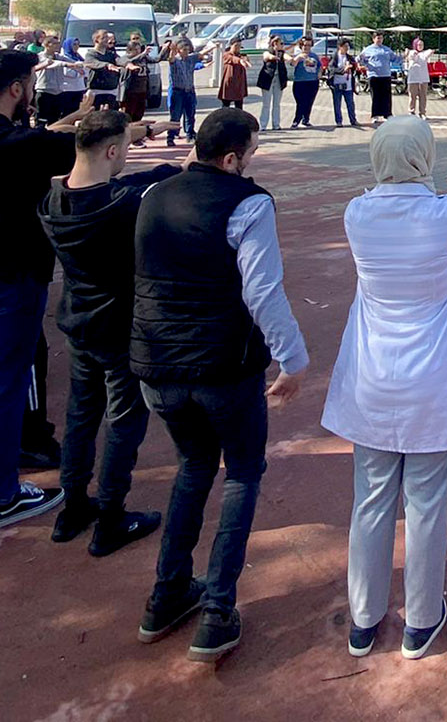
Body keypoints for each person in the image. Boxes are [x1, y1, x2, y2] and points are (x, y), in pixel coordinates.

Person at [131, 109, 309, 663]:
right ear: (232, 158)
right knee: (242, 474)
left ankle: (166, 594)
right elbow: (262, 289)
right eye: (250, 153)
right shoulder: (248, 203)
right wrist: (293, 359)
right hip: (221, 364)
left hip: (157, 362)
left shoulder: (154, 194)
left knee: (193, 467)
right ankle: (217, 608)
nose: (251, 163)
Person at [321, 121, 447, 660]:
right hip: (432, 379)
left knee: (370, 500)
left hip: (373, 376)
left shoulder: (357, 213)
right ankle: (422, 619)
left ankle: (363, 619)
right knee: (427, 503)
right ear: (423, 158)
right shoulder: (444, 216)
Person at [0, 51, 91, 530]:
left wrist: (67, 121)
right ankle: (3, 494)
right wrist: (126, 132)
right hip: (10, 276)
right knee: (6, 384)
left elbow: (41, 139)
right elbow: (72, 151)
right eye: (28, 82)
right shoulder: (18, 144)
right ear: (16, 89)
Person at [38, 107, 176, 556]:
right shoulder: (120, 209)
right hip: (119, 327)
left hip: (79, 322)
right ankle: (111, 515)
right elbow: (130, 194)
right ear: (112, 150)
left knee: (81, 415)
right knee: (124, 420)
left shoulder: (53, 200)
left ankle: (73, 505)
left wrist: (159, 165)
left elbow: (122, 185)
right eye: (124, 150)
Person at [34, 40, 87, 126]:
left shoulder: (59, 56)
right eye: (54, 43)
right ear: (46, 45)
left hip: (58, 91)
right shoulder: (40, 56)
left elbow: (72, 62)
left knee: (55, 119)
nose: (57, 45)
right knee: (42, 118)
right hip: (44, 91)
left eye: (58, 44)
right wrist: (69, 65)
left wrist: (79, 65)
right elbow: (53, 63)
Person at [167, 38, 201, 144]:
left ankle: (190, 134)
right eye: (184, 50)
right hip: (178, 92)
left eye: (188, 49)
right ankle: (171, 137)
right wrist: (172, 50)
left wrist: (213, 47)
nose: (186, 52)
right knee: (175, 116)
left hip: (189, 91)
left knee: (190, 114)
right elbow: (171, 59)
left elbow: (200, 55)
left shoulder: (190, 59)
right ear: (179, 50)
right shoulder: (175, 60)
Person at [361, 32, 396, 126]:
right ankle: (375, 115)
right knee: (376, 96)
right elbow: (360, 59)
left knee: (386, 96)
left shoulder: (386, 49)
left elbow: (394, 58)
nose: (379, 40)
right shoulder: (368, 49)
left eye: (381, 38)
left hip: (386, 75)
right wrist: (365, 65)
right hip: (374, 75)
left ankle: (387, 114)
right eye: (378, 38)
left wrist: (404, 55)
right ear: (373, 39)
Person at [254, 37, 288, 132]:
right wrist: (273, 57)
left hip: (279, 80)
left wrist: (291, 59)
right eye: (280, 43)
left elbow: (287, 57)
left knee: (277, 104)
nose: (282, 45)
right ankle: (263, 125)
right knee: (266, 104)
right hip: (268, 80)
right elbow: (266, 57)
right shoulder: (267, 52)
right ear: (274, 44)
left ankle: (276, 124)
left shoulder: (282, 53)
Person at [288, 39, 321, 130]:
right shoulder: (298, 56)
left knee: (309, 101)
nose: (306, 47)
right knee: (300, 102)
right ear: (301, 46)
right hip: (300, 82)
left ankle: (306, 119)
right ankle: (296, 121)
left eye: (309, 45)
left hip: (312, 81)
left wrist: (319, 73)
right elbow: (293, 64)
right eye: (305, 45)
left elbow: (319, 66)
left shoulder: (314, 56)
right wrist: (299, 57)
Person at [331, 38, 361, 127]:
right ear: (340, 47)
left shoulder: (350, 57)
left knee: (350, 103)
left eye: (348, 46)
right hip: (337, 84)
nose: (347, 48)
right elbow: (331, 69)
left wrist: (355, 67)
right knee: (337, 104)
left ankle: (353, 120)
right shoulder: (335, 57)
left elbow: (355, 69)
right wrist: (343, 70)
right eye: (345, 46)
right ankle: (339, 121)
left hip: (348, 85)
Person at [217, 37, 249, 111]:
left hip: (239, 85)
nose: (237, 48)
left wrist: (245, 60)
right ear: (231, 45)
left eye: (239, 46)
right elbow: (232, 59)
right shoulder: (226, 55)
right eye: (236, 46)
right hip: (229, 85)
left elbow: (245, 60)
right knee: (225, 107)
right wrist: (240, 61)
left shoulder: (242, 55)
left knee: (239, 108)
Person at [404, 37, 432, 119]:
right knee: (412, 96)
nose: (420, 46)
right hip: (413, 78)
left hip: (423, 78)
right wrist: (410, 53)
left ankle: (422, 112)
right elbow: (411, 57)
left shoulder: (424, 53)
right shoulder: (412, 52)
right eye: (419, 44)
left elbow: (428, 53)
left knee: (423, 96)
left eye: (422, 45)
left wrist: (431, 51)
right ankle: (411, 111)